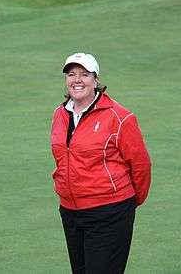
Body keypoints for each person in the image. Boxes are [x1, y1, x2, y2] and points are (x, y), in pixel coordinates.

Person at [50, 52, 151, 274]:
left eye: (84, 74)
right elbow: (62, 157)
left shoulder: (119, 116)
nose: (77, 80)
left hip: (109, 211)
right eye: (71, 74)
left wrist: (127, 203)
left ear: (95, 80)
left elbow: (141, 165)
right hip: (70, 211)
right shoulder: (60, 113)